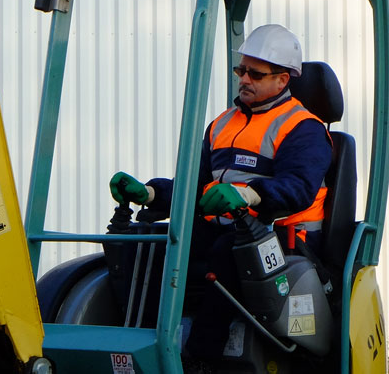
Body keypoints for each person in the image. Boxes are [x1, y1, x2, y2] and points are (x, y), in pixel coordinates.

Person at [109, 24, 333, 360]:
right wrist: (151, 194)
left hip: (285, 239)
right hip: (228, 227)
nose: (244, 79)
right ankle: (142, 347)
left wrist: (248, 195)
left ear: (282, 80)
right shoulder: (221, 124)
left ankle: (201, 360)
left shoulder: (304, 128)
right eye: (241, 69)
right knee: (151, 241)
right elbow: (196, 190)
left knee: (228, 251)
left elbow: (298, 189)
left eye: (255, 74)